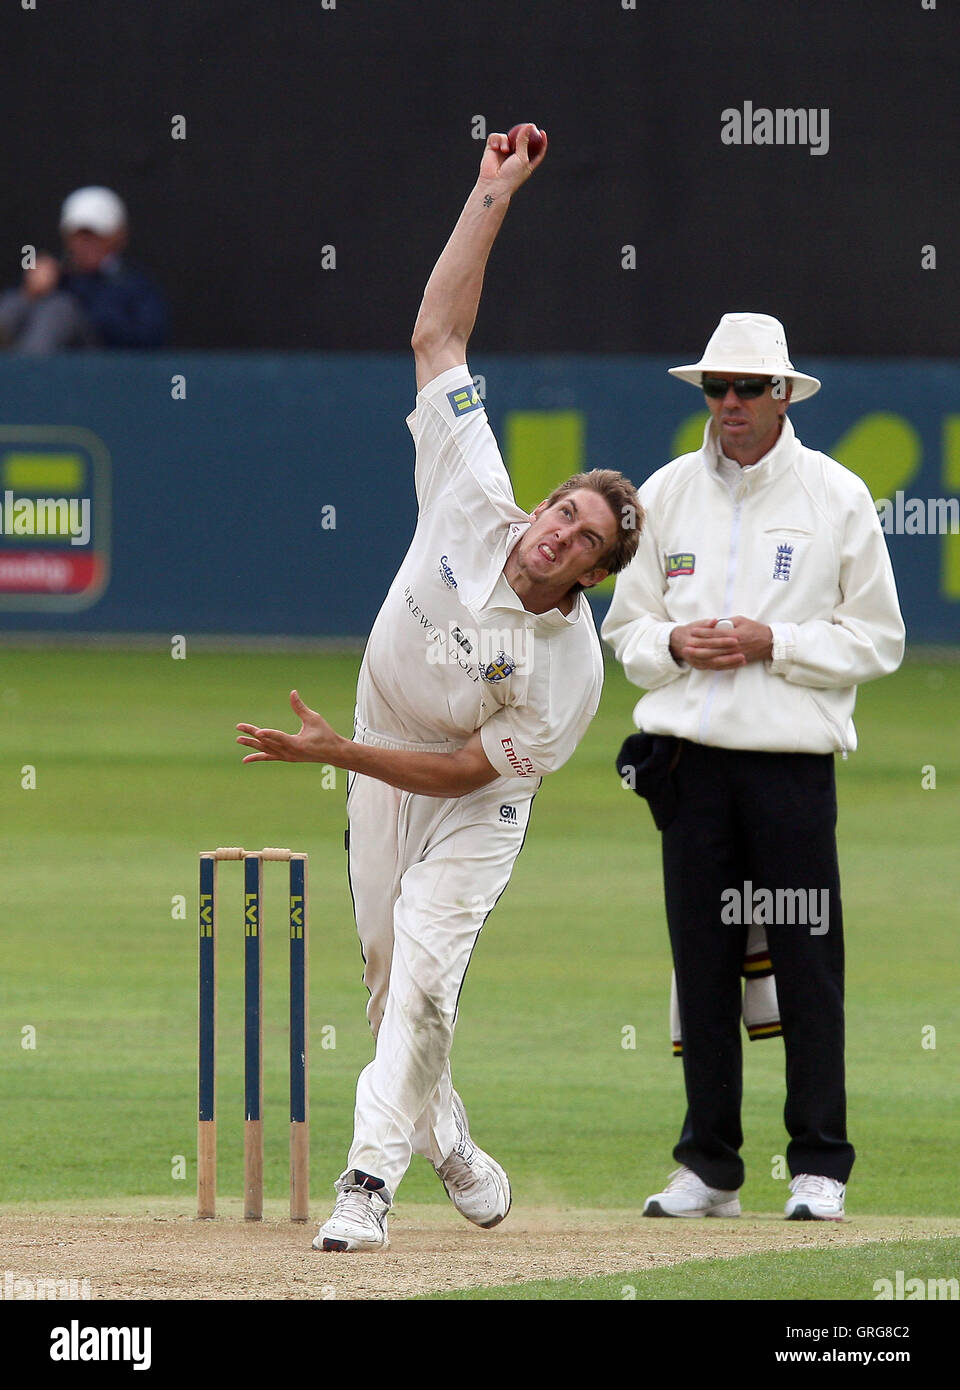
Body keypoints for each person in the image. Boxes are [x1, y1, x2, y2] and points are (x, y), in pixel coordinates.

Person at [235, 126, 642, 1252]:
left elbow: (466, 768)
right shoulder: (475, 486)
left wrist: (337, 760)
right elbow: (437, 331)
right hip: (375, 744)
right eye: (564, 508)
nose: (557, 532)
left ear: (594, 577)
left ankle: (365, 1185)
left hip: (472, 798)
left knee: (424, 973)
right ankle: (450, 1140)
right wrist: (490, 192)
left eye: (585, 539)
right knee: (383, 988)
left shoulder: (567, 677)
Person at [603, 312, 905, 1221]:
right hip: (688, 769)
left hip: (789, 770)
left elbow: (879, 639)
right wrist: (675, 642)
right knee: (701, 967)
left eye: (747, 389)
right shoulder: (663, 495)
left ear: (783, 394)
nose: (729, 405)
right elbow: (625, 633)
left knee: (808, 962)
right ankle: (709, 1167)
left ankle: (819, 1165)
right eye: (716, 389)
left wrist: (778, 640)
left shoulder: (836, 496)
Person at [0, 186, 169, 353]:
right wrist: (30, 293)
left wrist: (86, 304)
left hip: (101, 367)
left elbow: (148, 339)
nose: (86, 244)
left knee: (59, 309)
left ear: (118, 236)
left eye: (96, 235)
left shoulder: (134, 285)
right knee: (15, 302)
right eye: (79, 236)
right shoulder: (58, 278)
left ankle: (27, 373)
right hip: (53, 363)